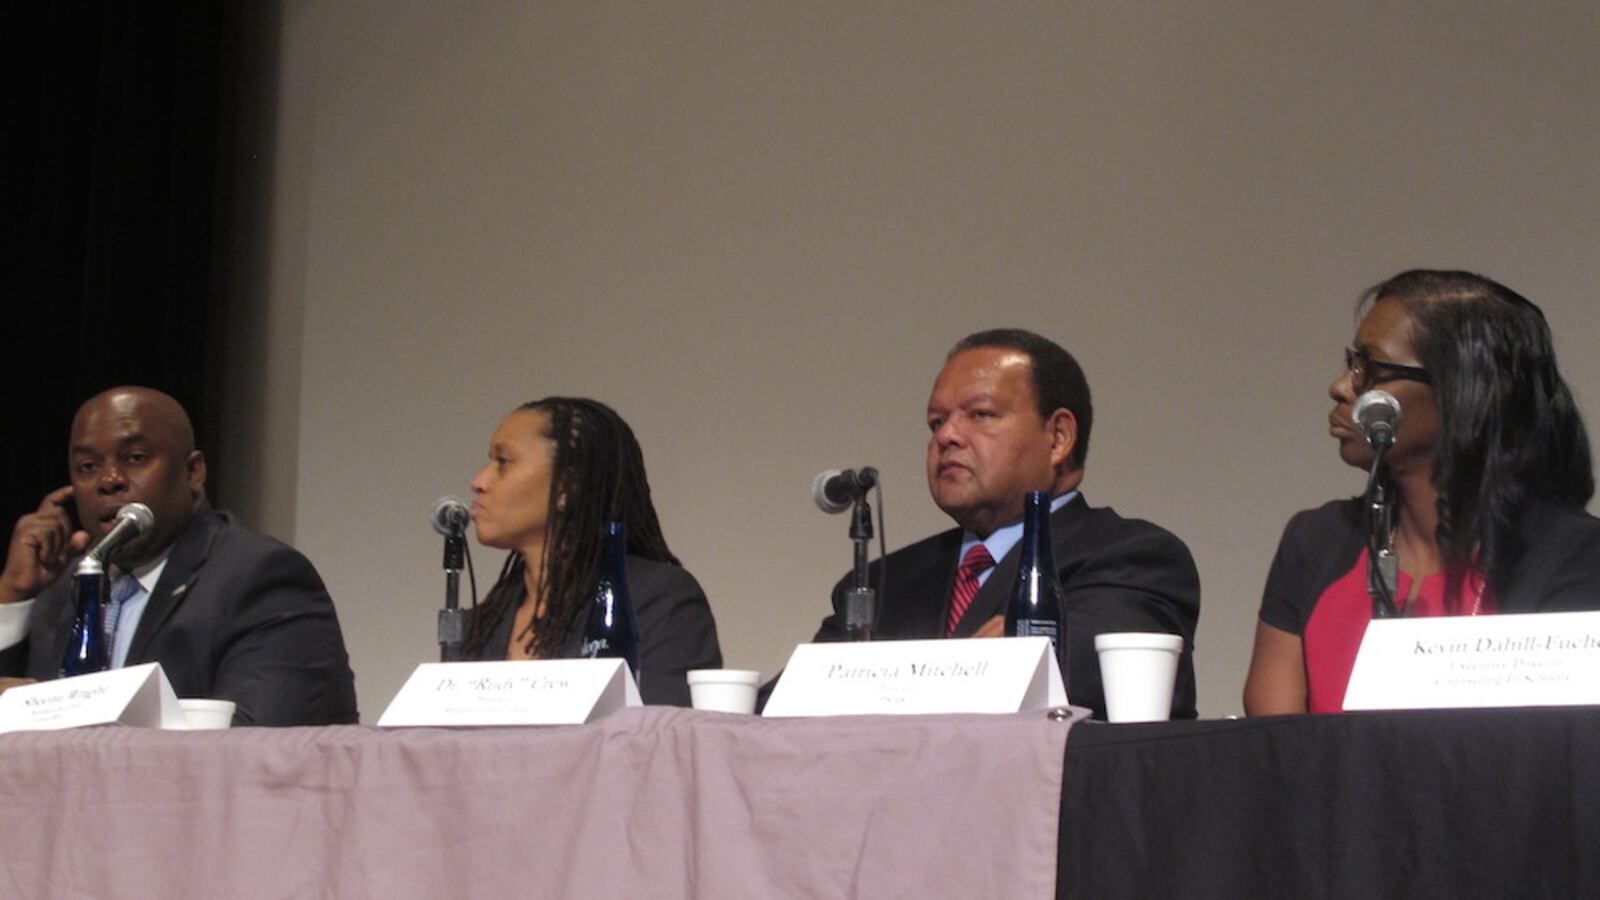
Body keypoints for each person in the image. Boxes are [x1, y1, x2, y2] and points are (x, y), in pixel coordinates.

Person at [1244, 270, 1600, 715]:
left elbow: (1560, 755)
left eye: (1369, 370)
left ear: (1462, 393)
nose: (1339, 387)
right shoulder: (1316, 542)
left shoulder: (1575, 557)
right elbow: (1274, 749)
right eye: (1351, 364)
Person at [807, 329, 1202, 719]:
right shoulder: (883, 583)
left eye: (980, 414)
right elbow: (790, 702)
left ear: (1058, 437)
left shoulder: (1132, 557)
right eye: (936, 421)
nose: (946, 435)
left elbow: (1078, 663)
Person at [0, 387, 358, 725]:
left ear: (192, 472)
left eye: (135, 458)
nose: (109, 480)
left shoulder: (261, 578)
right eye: (88, 467)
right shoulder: (64, 589)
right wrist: (13, 595)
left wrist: (62, 714)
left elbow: (260, 744)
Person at [462, 397, 721, 706]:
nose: (479, 482)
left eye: (503, 462)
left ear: (566, 486)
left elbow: (667, 738)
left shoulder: (653, 599)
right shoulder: (486, 622)